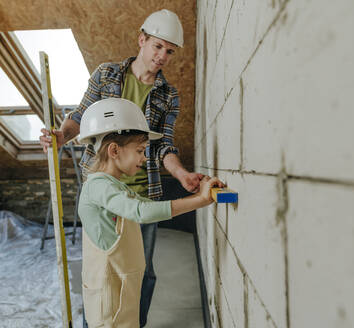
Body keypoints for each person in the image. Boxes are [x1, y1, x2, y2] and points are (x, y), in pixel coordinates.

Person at [39, 9, 203, 327]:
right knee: (102, 271)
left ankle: (133, 323)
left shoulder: (168, 95)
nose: (162, 56)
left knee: (141, 271)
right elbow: (81, 116)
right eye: (157, 46)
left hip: (145, 192)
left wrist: (182, 174)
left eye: (169, 51)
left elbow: (162, 145)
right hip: (104, 190)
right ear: (141, 40)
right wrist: (61, 136)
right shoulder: (107, 75)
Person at [77, 98, 223, 328]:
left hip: (121, 296)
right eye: (140, 151)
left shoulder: (114, 186)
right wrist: (199, 200)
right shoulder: (98, 186)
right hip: (110, 305)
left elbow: (143, 205)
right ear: (114, 150)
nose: (145, 159)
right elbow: (142, 211)